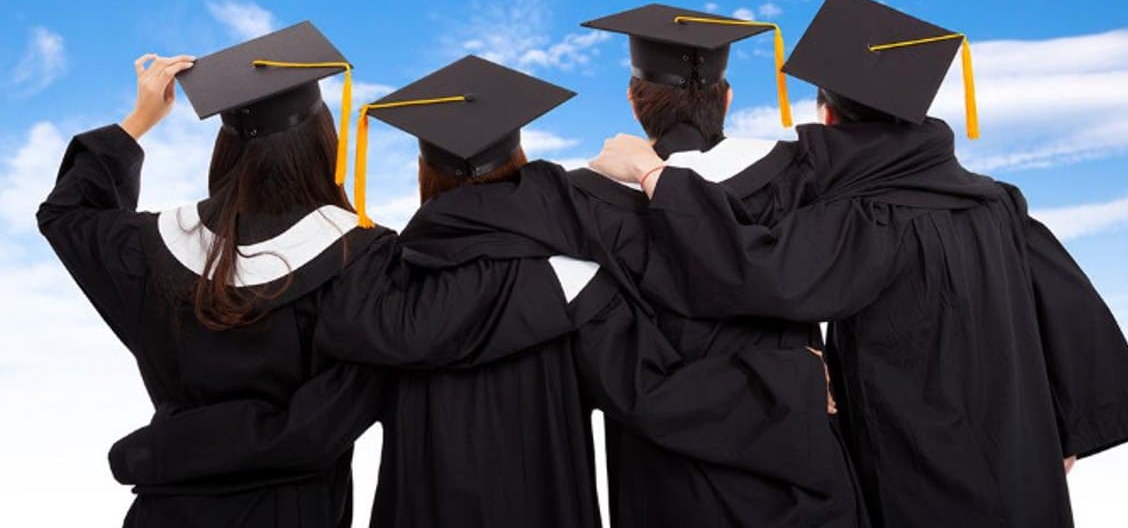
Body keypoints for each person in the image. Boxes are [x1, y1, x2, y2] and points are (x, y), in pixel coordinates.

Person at [107, 55, 831, 528]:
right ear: (521, 159)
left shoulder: (373, 288)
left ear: (426, 173)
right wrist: (792, 379)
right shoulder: (578, 278)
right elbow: (656, 395)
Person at [588, 0, 1128, 528]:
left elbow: (763, 275)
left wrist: (653, 174)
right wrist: (1068, 432)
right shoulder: (995, 202)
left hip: (922, 466)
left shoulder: (866, 218)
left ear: (827, 117)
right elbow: (1074, 310)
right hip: (1021, 462)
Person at [38, 27, 593, 528]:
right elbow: (431, 325)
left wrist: (139, 121)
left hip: (164, 511)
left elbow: (68, 216)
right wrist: (560, 274)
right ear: (324, 143)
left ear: (226, 146)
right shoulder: (360, 261)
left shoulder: (148, 250)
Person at [380, 6, 870, 527]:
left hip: (665, 487)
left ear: (634, 103)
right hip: (804, 473)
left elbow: (481, 210)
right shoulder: (801, 177)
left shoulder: (581, 205)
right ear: (727, 98)